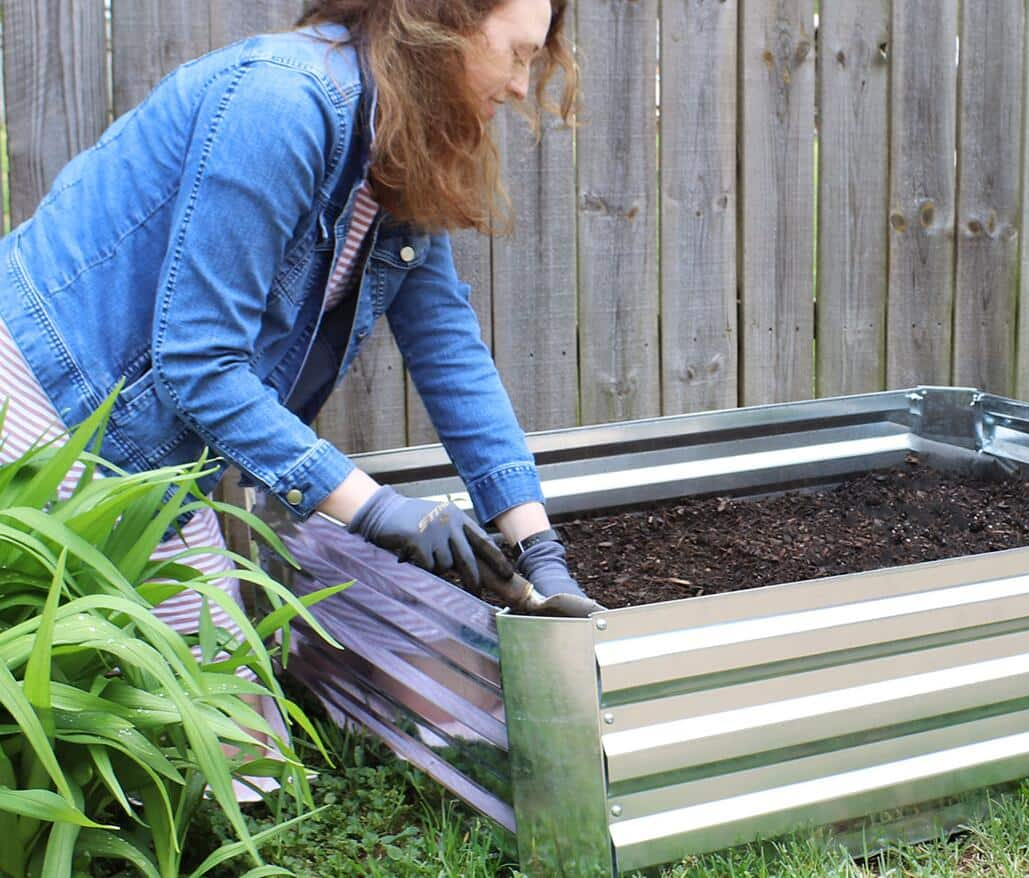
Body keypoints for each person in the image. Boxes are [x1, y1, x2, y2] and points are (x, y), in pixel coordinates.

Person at [0, 0, 597, 795]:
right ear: (441, 27)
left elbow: (450, 351)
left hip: (143, 447)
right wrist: (380, 512)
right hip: (41, 408)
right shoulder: (282, 103)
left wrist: (538, 550)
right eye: (517, 55)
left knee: (248, 760)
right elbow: (199, 366)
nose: (524, 86)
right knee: (199, 757)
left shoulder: (396, 143)